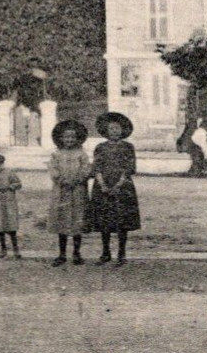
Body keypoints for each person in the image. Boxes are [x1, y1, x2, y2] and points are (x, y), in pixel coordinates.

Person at [88, 112, 142, 266]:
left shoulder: (128, 147)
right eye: (111, 129)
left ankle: (121, 253)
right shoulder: (100, 147)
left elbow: (130, 167)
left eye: (117, 128)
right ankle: (105, 252)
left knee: (121, 222)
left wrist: (119, 185)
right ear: (106, 131)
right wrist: (103, 185)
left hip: (123, 188)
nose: (114, 131)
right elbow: (96, 167)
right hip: (102, 188)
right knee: (104, 221)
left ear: (122, 130)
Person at [46, 119, 91, 267]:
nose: (69, 140)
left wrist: (78, 179)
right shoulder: (56, 154)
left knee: (78, 221)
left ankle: (77, 253)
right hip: (62, 191)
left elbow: (86, 169)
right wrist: (62, 180)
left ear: (77, 138)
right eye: (66, 137)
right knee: (62, 222)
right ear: (61, 138)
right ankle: (62, 254)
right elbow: (53, 170)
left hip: (78, 191)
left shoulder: (82, 154)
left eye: (72, 137)